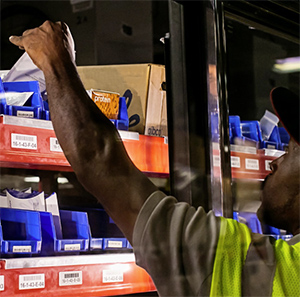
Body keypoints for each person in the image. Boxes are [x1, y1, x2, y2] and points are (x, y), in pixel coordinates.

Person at [9, 21, 299, 297]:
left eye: (290, 151)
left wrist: (56, 64)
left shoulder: (268, 272)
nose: (275, 163)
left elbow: (100, 159)